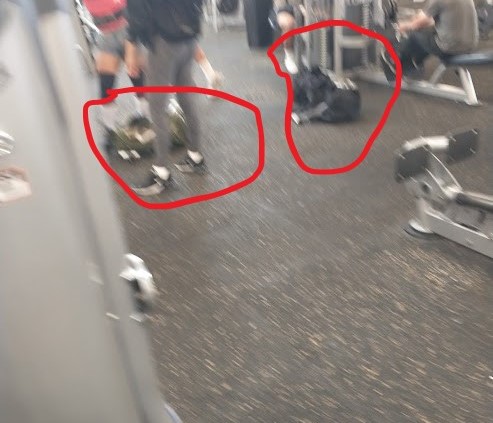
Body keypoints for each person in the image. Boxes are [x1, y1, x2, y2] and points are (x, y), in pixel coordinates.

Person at [125, 0, 206, 195]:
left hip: (164, 40)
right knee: (187, 97)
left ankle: (161, 174)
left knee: (157, 106)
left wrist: (131, 49)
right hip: (188, 35)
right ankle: (195, 157)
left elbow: (136, 10)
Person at [83, 0, 153, 151]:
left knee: (138, 77)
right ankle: (110, 129)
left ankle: (145, 117)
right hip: (106, 34)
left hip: (128, 26)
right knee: (106, 84)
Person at [381, 0, 479, 81]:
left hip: (449, 48)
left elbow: (417, 24)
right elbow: (440, 20)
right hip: (469, 46)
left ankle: (399, 67)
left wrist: (402, 26)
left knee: (414, 37)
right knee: (428, 37)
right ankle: (415, 64)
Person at [273, 0, 304, 74]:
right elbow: (281, 6)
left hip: (307, 7)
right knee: (288, 23)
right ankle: (289, 54)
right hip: (285, 9)